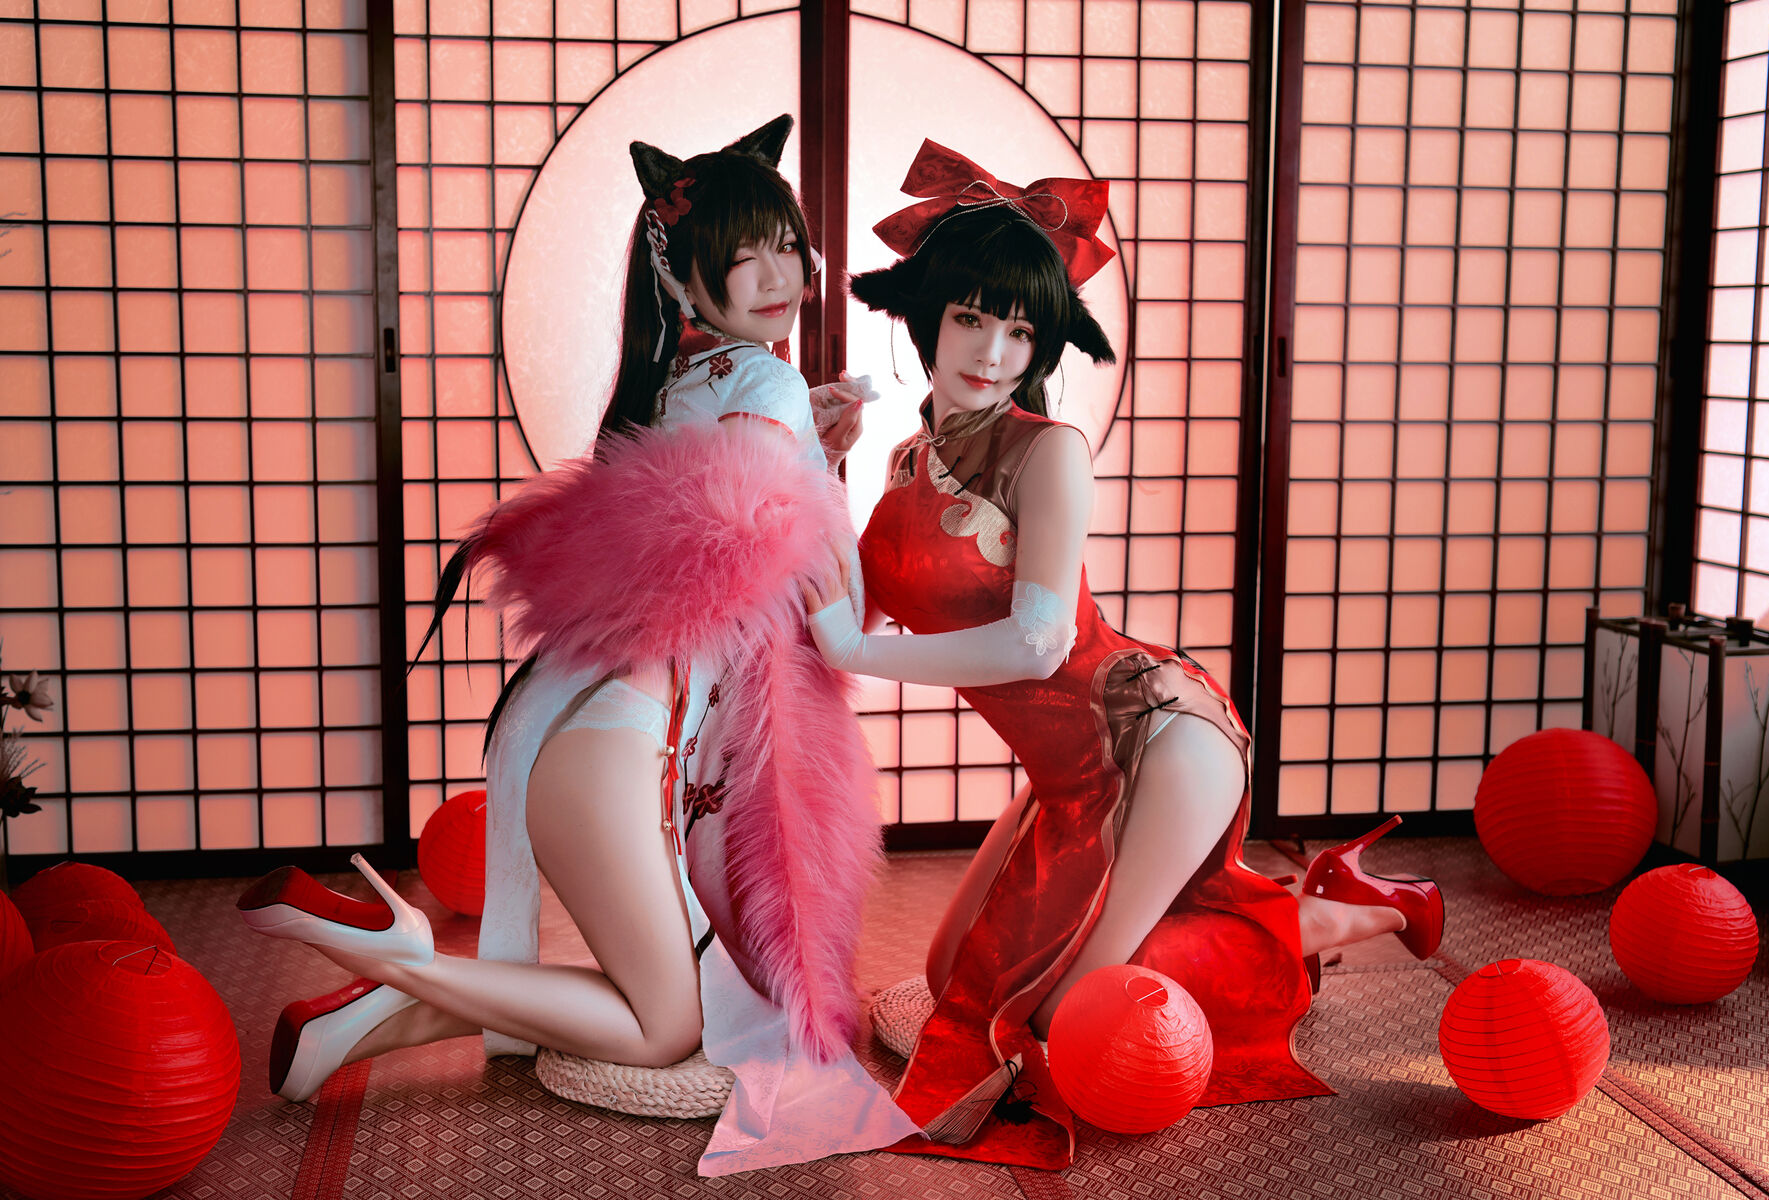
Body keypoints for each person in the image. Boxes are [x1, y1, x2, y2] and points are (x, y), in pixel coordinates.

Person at [236, 116, 917, 1176]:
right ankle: (404, 955)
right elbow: (813, 605)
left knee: (666, 999)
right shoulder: (770, 386)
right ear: (681, 273)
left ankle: (368, 1019)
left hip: (572, 730)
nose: (780, 274)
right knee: (665, 1029)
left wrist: (807, 459)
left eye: (788, 245)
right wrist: (823, 473)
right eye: (745, 253)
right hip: (625, 753)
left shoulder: (659, 391)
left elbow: (699, 549)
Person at [802, 140, 1445, 1169]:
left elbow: (1036, 642)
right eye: (970, 318)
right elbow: (859, 601)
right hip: (1068, 777)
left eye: (1021, 330)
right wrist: (814, 463)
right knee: (951, 979)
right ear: (926, 317)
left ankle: (1346, 915)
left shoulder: (1046, 451)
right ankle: (1300, 907)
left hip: (1156, 737)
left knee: (1066, 1016)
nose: (992, 352)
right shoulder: (908, 456)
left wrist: (848, 647)